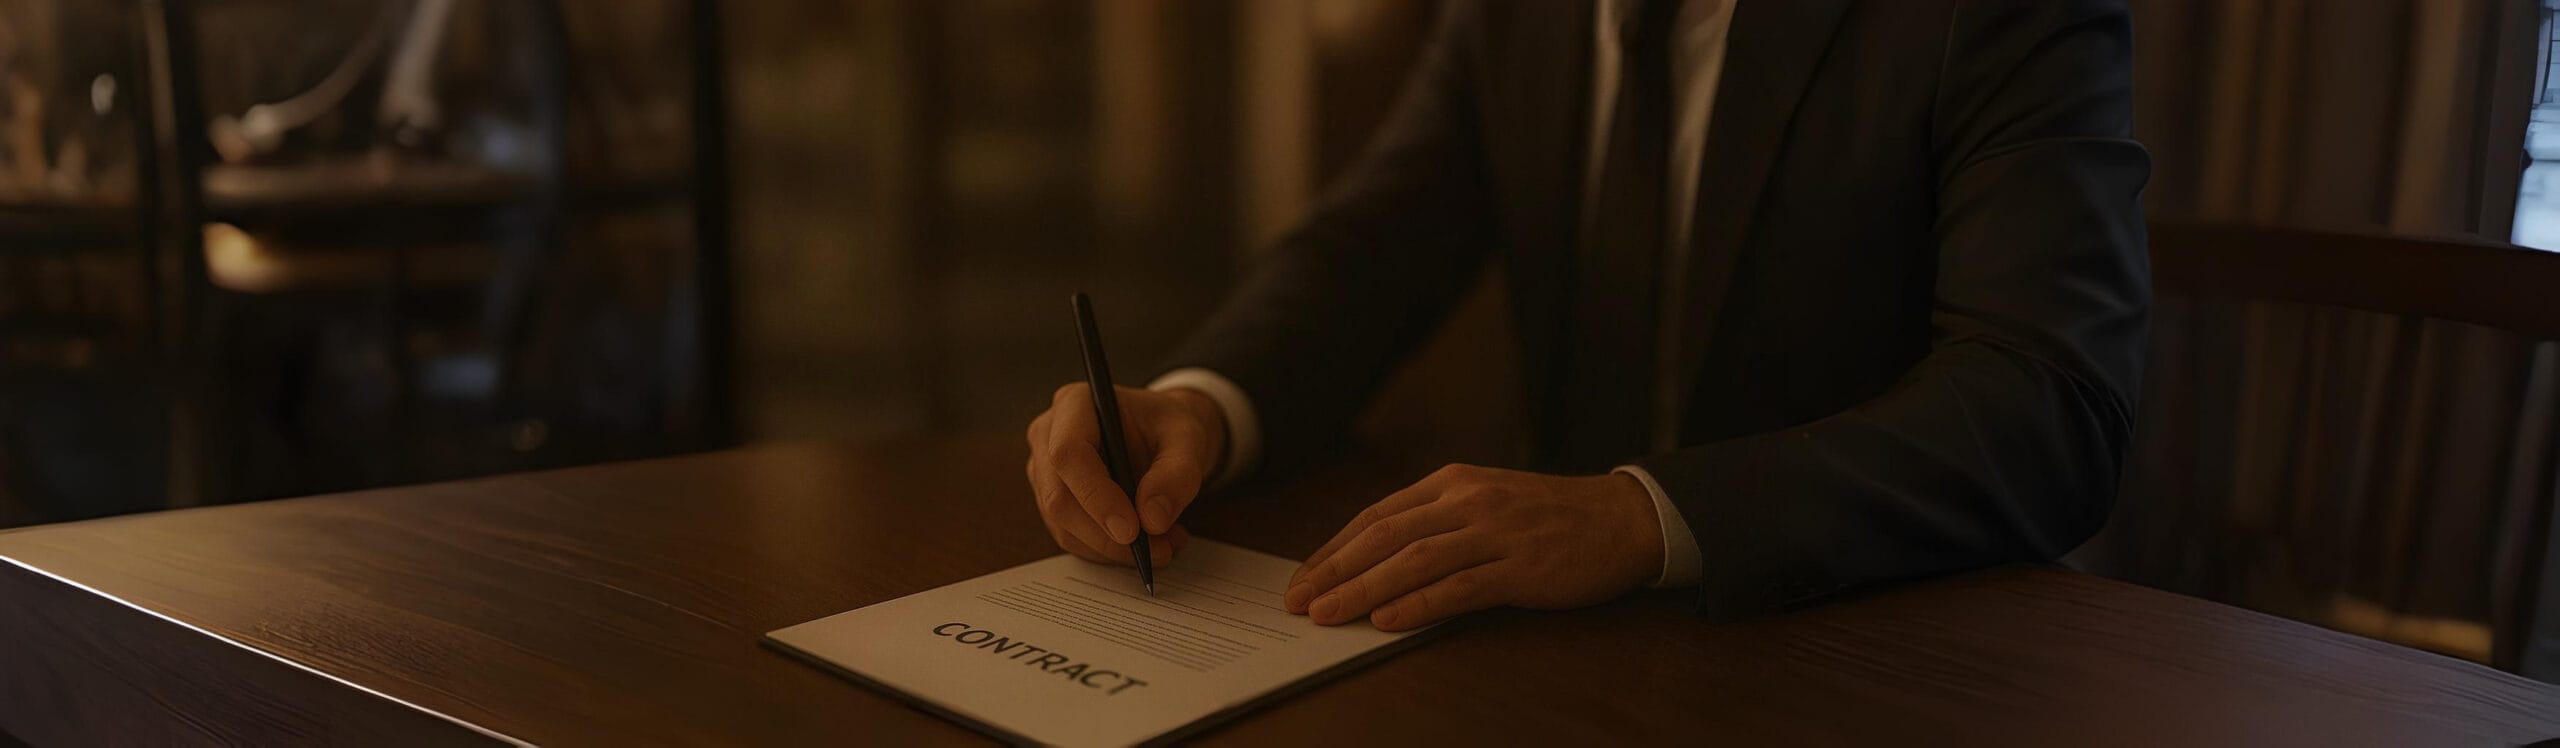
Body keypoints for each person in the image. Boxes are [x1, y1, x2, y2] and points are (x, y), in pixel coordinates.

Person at [1023, 0, 2149, 631]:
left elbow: (2049, 401)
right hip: (1560, 654)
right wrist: (1198, 406)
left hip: (1863, 645)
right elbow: (1367, 252)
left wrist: (1637, 515)